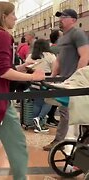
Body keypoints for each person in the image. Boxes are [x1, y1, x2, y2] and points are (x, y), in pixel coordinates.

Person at [0, 2, 45, 180]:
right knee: (18, 145)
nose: (16, 18)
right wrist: (32, 77)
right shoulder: (3, 36)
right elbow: (4, 72)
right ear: (3, 16)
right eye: (13, 14)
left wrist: (21, 67)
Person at [43, 8, 89, 151]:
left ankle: (71, 142)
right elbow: (58, 60)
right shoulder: (63, 37)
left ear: (73, 20)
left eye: (64, 17)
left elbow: (85, 56)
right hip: (66, 81)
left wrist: (76, 78)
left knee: (78, 115)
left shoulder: (78, 34)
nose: (60, 19)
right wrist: (51, 78)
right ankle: (61, 140)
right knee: (65, 112)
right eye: (60, 17)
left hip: (76, 82)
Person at [25, 39, 56, 133]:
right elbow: (55, 70)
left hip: (33, 82)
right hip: (45, 81)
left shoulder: (31, 56)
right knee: (49, 101)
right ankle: (39, 119)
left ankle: (36, 126)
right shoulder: (50, 56)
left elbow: (27, 67)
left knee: (37, 103)